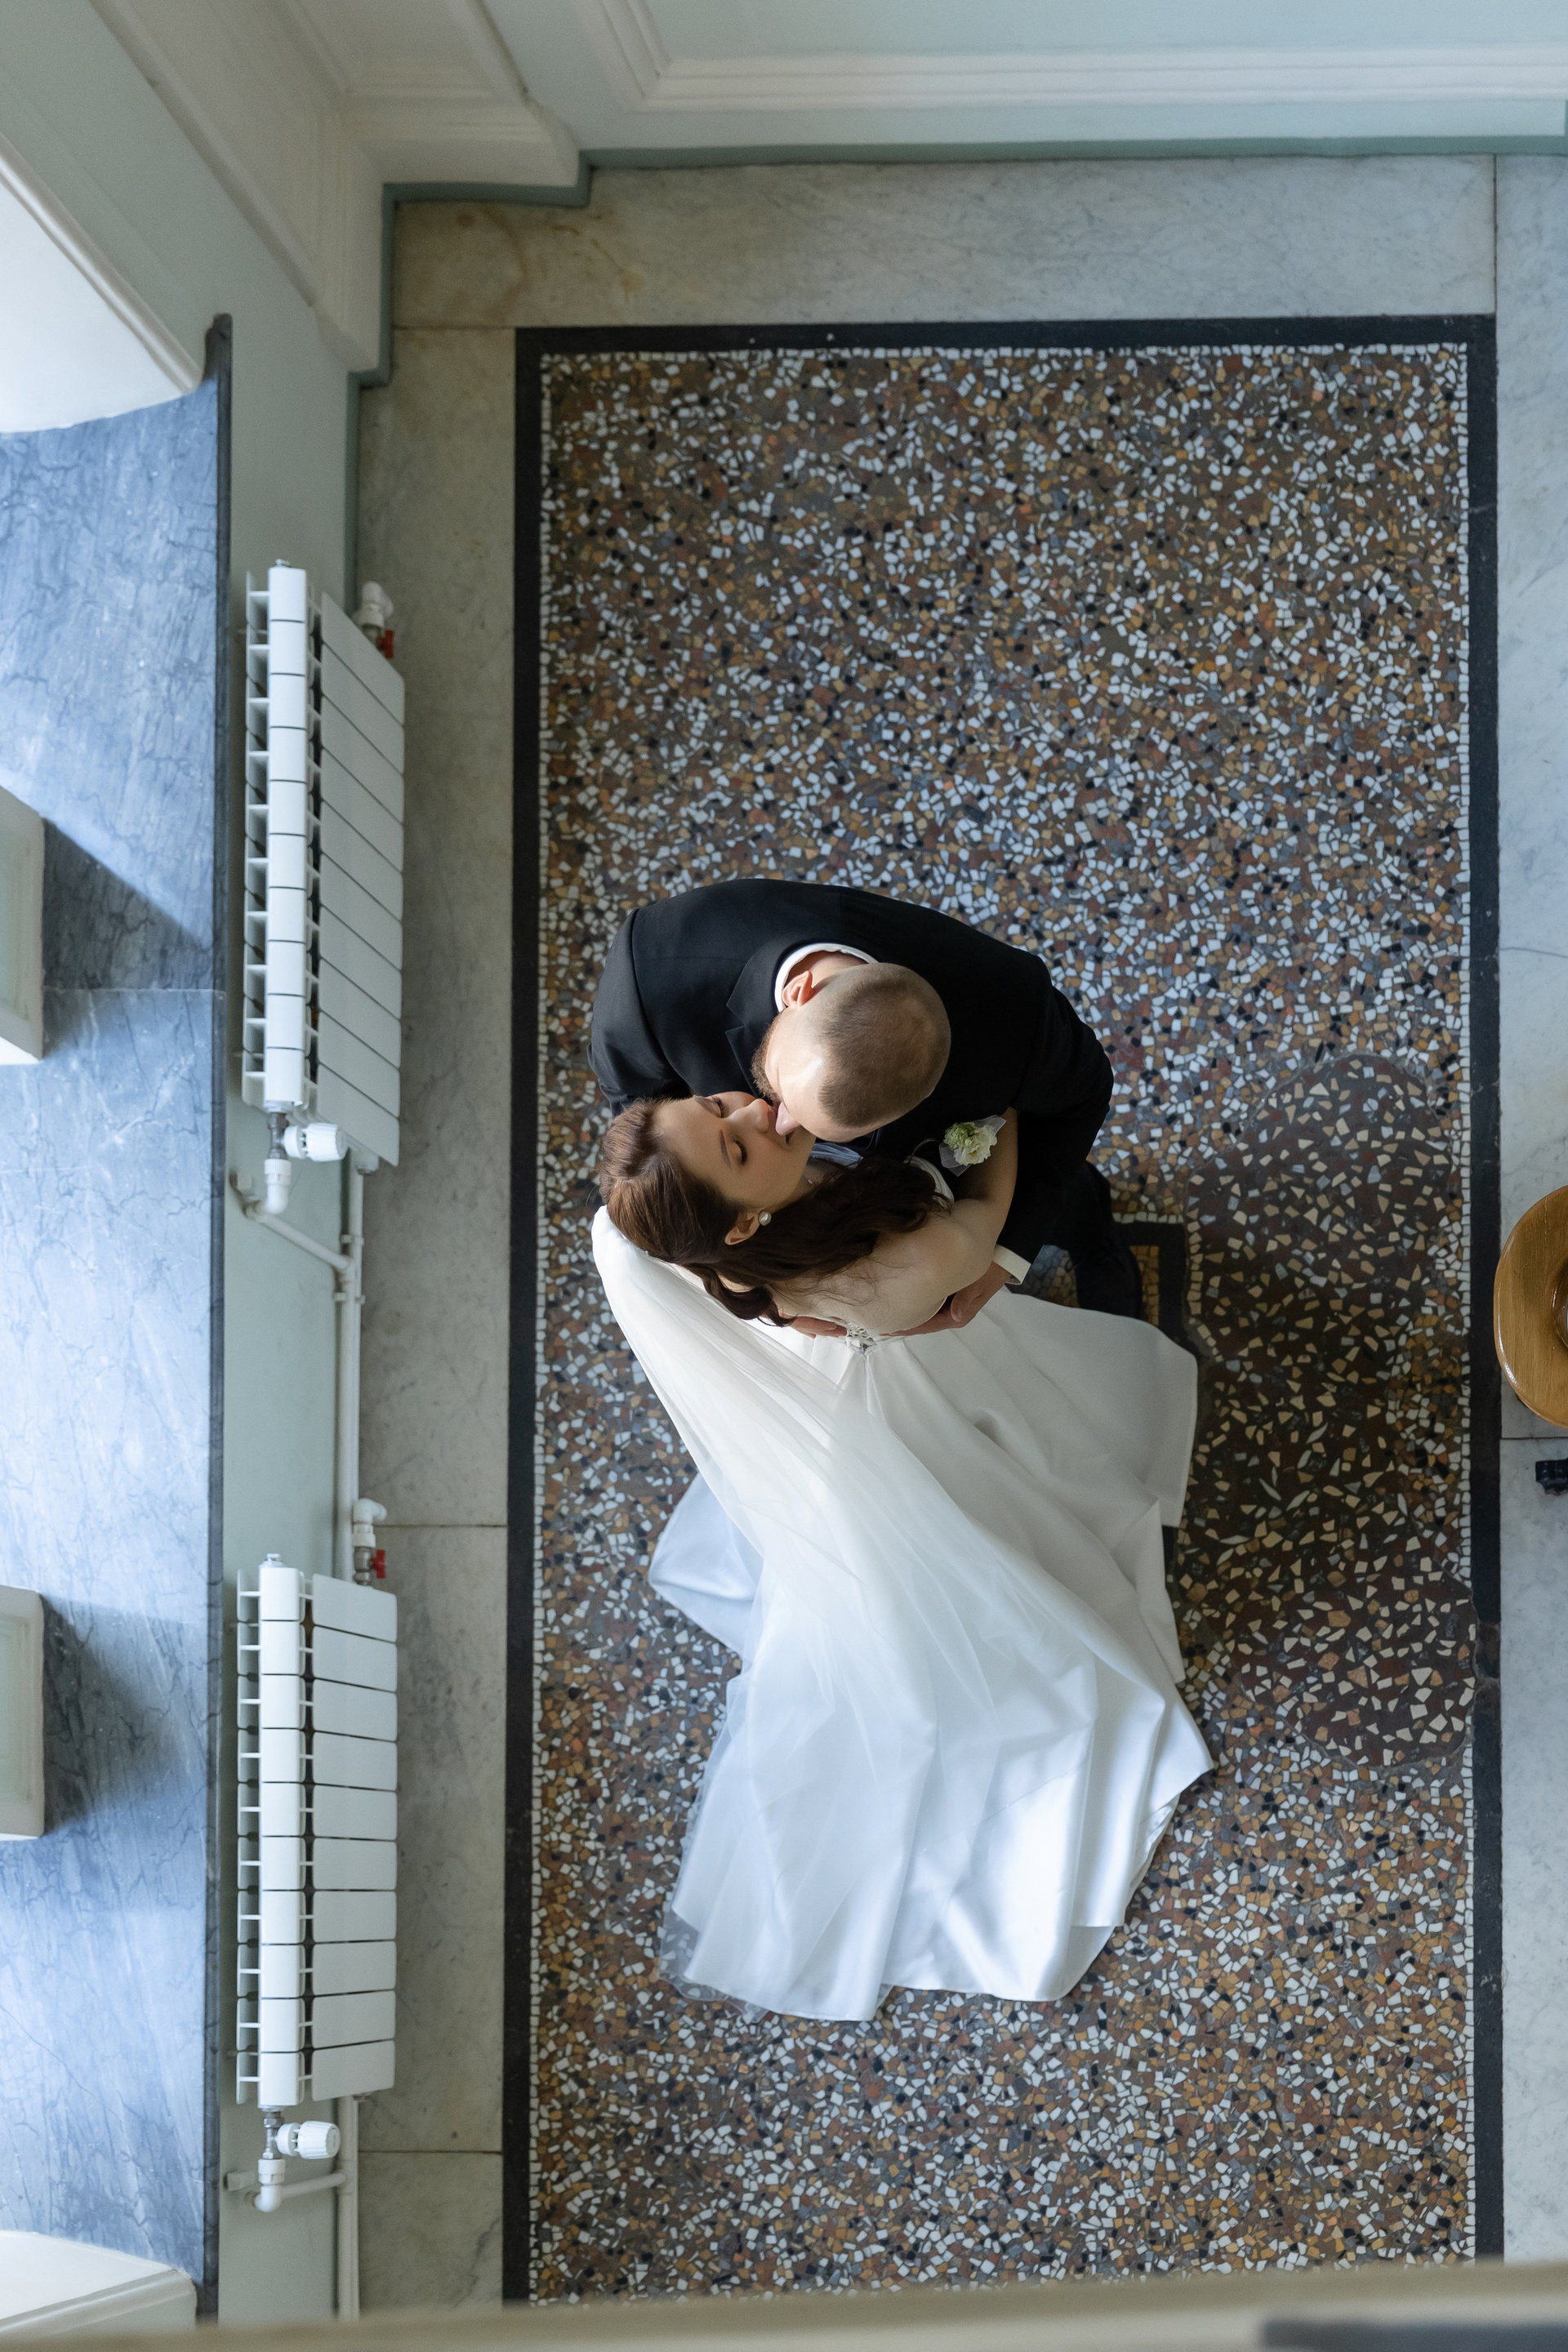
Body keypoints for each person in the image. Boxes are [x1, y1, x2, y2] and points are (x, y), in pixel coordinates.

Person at [591, 1095, 1211, 2024]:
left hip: (853, 1377)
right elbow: (984, 1220)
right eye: (734, 1143)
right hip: (913, 1366)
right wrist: (992, 1102)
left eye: (717, 1105)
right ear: (744, 1221)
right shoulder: (884, 1269)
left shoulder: (706, 1241)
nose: (753, 1111)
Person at [589, 879, 1141, 1325]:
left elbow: (1082, 1098)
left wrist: (1008, 1253)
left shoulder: (1013, 1021)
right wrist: (714, 1236)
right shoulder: (650, 976)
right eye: (714, 1107)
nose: (770, 1113)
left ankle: (1090, 1233)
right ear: (798, 993)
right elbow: (640, 1117)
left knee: (1056, 1188)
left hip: (944, 1171)